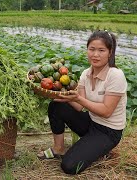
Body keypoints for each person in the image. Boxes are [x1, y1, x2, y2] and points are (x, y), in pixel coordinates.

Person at [37, 30, 127, 174]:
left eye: (101, 50)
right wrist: (61, 95)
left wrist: (78, 98)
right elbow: (79, 107)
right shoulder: (86, 73)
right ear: (87, 50)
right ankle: (58, 148)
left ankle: (100, 148)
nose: (95, 54)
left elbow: (106, 111)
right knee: (57, 105)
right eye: (92, 49)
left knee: (69, 166)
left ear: (110, 53)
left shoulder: (116, 75)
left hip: (108, 132)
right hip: (91, 122)